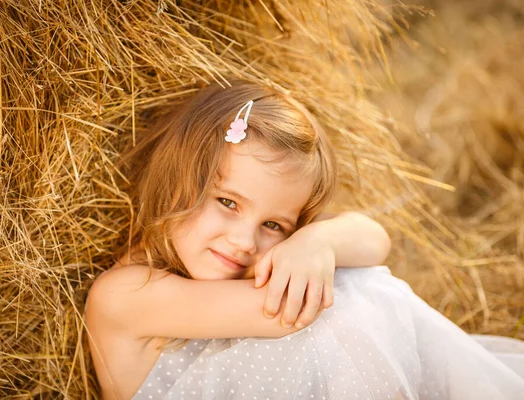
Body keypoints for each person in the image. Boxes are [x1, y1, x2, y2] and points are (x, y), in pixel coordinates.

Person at [85, 81, 524, 400]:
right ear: (177, 178)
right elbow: (292, 312)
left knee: (360, 287)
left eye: (274, 225)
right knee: (353, 297)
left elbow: (375, 239)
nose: (244, 241)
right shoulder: (124, 295)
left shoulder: (258, 259)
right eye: (227, 202)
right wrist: (316, 251)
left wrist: (318, 242)